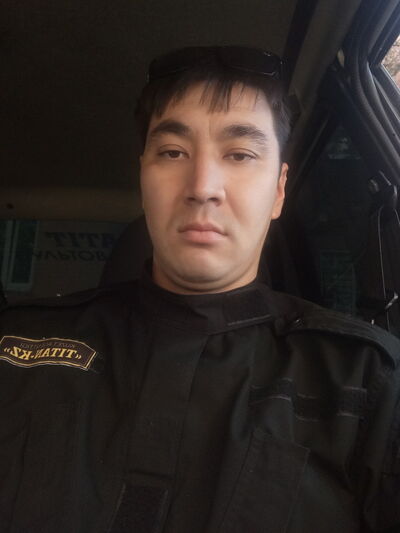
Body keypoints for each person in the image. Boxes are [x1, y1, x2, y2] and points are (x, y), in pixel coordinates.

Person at [0, 46, 399, 533]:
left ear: (278, 190)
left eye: (240, 154)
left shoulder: (367, 381)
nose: (203, 186)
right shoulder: (15, 347)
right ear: (143, 176)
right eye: (173, 152)